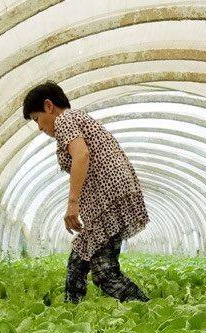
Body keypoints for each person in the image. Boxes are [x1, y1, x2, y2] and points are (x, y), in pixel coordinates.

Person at [22, 82, 150, 303]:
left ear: (49, 106)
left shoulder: (65, 119)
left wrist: (73, 203)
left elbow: (81, 155)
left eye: (36, 119)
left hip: (108, 198)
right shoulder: (74, 119)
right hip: (109, 196)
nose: (39, 127)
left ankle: (146, 308)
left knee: (105, 274)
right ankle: (72, 313)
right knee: (77, 262)